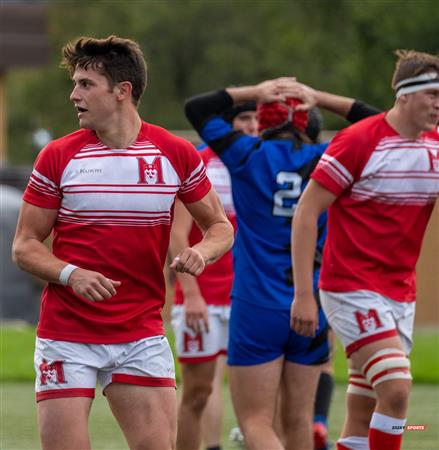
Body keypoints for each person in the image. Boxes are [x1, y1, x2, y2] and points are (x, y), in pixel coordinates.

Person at [12, 35, 234, 450]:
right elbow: (24, 246)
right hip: (67, 334)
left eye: (85, 84)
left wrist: (200, 253)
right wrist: (70, 273)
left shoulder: (175, 153)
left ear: (122, 91)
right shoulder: (58, 157)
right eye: (75, 83)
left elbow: (220, 227)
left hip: (140, 334)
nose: (73, 94)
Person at [185, 78, 379, 450]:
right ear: (310, 123)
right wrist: (319, 95)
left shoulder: (247, 154)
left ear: (263, 123)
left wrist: (255, 92)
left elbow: (196, 107)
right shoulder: (328, 156)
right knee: (299, 423)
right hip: (311, 301)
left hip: (256, 303)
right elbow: (379, 124)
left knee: (256, 422)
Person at [291, 50, 439, 450]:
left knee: (364, 407)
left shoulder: (435, 146)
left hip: (399, 292)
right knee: (396, 389)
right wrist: (304, 294)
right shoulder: (358, 141)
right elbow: (306, 213)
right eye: (433, 93)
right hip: (349, 287)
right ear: (404, 95)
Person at [170, 102, 257, 450]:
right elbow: (177, 236)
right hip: (204, 297)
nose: (252, 126)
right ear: (225, 125)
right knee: (198, 391)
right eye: (244, 119)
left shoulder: (259, 164)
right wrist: (191, 295)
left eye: (257, 119)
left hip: (250, 298)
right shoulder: (199, 164)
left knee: (259, 388)